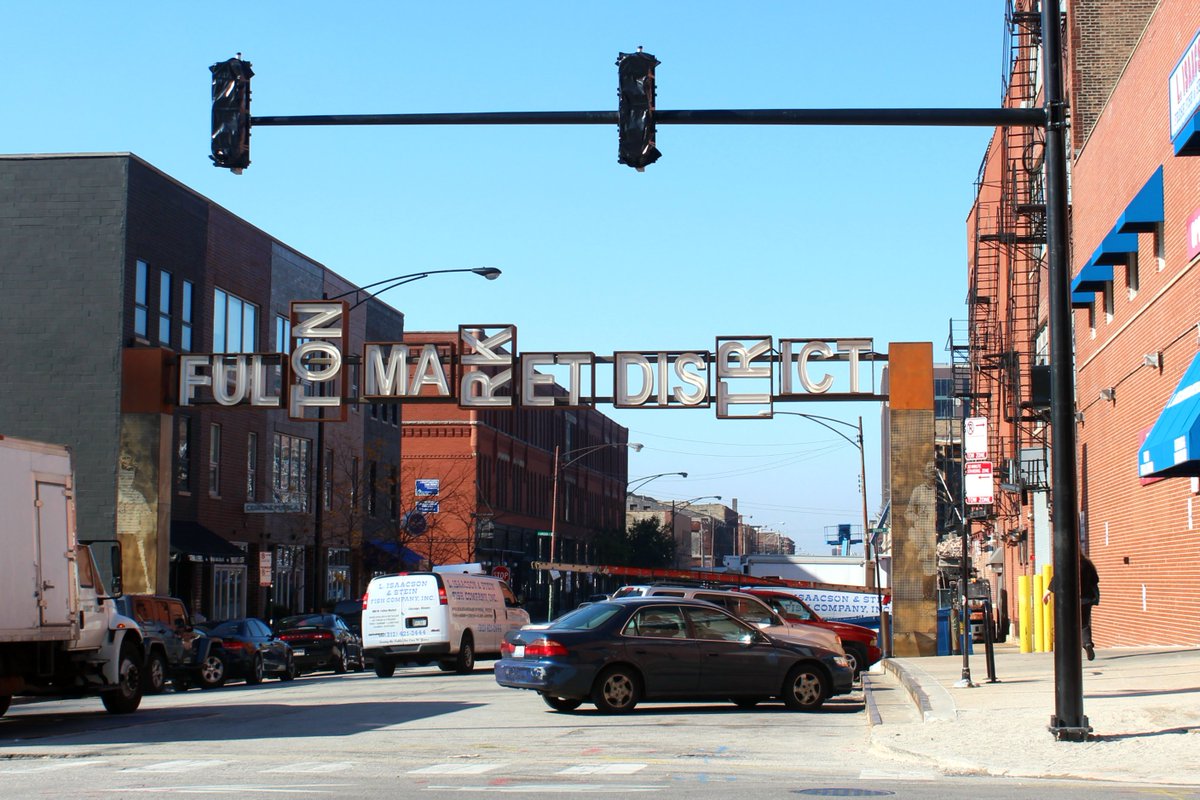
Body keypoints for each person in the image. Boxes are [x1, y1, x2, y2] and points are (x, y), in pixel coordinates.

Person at [1042, 553, 1100, 660]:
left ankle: (1070, 650)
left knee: (1067, 625)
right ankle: (1087, 643)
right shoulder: (1087, 564)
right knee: (1084, 624)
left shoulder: (1067, 564)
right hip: (1086, 599)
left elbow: (1057, 578)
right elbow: (1095, 579)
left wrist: (1047, 592)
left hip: (1070, 600)